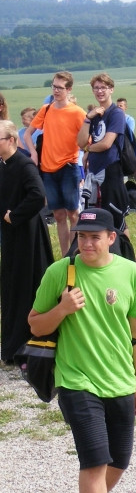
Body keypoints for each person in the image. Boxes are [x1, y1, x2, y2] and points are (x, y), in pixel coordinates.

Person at [28, 207, 136, 493]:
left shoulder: (130, 273)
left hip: (120, 382)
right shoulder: (58, 274)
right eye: (81, 236)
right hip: (76, 380)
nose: (86, 243)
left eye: (95, 237)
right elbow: (34, 323)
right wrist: (62, 309)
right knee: (94, 461)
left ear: (112, 238)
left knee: (119, 461)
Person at [0, 119, 54, 365]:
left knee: (26, 286)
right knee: (11, 286)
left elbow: (38, 195)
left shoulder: (23, 164)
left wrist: (14, 215)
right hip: (12, 234)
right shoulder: (4, 165)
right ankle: (11, 347)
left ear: (10, 140)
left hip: (28, 235)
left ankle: (29, 346)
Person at [23, 71, 87, 256]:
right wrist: (34, 153)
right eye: (54, 86)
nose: (56, 90)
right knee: (58, 214)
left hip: (68, 166)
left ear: (69, 89)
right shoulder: (46, 109)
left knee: (72, 212)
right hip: (47, 168)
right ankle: (65, 254)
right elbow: (28, 134)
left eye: (60, 87)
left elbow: (85, 139)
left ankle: (75, 252)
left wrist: (81, 155)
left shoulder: (77, 112)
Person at [77, 73, 128, 232]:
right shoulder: (95, 115)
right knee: (96, 217)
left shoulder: (116, 113)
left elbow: (106, 144)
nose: (100, 91)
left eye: (103, 88)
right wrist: (87, 118)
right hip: (94, 171)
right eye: (96, 88)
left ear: (111, 89)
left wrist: (88, 149)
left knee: (116, 219)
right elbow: (80, 142)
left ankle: (125, 253)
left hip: (110, 169)